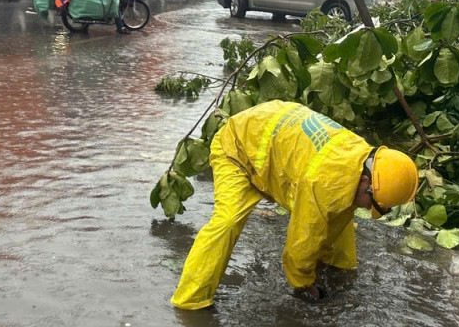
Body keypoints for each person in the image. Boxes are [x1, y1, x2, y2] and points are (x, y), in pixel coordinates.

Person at [171, 100, 420, 310]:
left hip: (272, 139)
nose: (369, 210)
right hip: (237, 149)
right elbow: (301, 242)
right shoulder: (325, 183)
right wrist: (304, 285)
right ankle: (190, 301)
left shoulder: (360, 157)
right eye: (373, 204)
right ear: (366, 179)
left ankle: (340, 271)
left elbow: (337, 212)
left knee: (342, 211)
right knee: (227, 222)